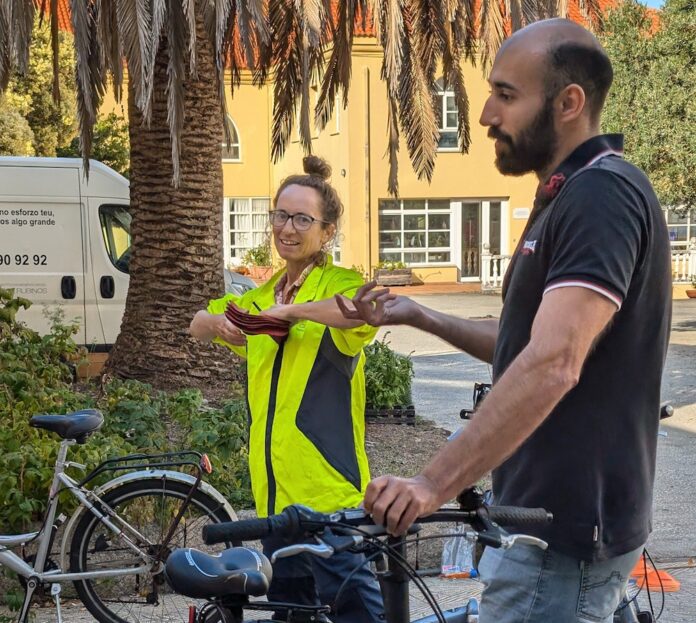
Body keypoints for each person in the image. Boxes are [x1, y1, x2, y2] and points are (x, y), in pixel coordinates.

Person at [337, 18, 672, 623]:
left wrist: (429, 485)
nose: (486, 114)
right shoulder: (566, 195)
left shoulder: (602, 196)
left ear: (569, 103)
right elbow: (525, 347)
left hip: (558, 539)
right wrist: (420, 314)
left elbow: (553, 363)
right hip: (544, 528)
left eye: (506, 95)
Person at [190, 155, 384, 622]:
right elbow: (197, 322)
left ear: (327, 230)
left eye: (302, 218)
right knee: (293, 613)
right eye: (280, 215)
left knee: (359, 613)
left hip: (329, 497)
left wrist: (289, 314)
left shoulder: (338, 283)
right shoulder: (258, 296)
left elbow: (358, 311)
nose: (288, 228)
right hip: (275, 499)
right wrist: (221, 324)